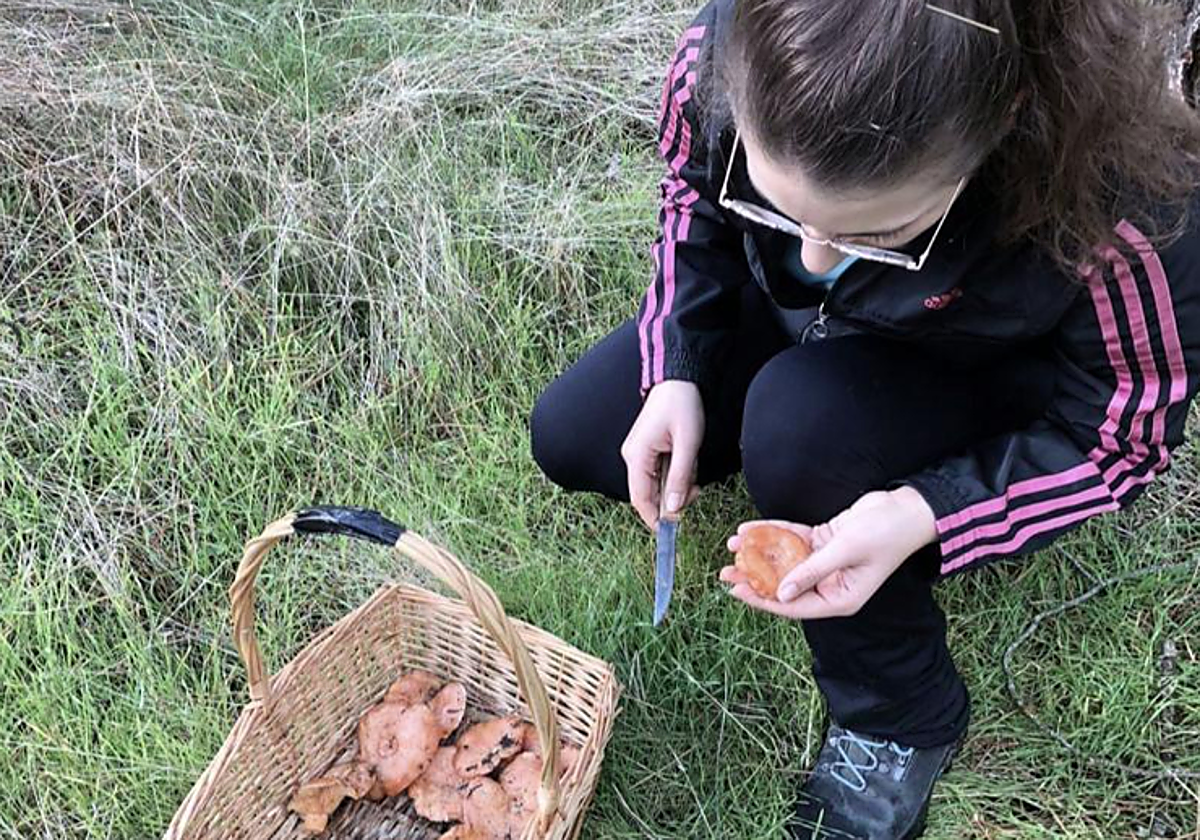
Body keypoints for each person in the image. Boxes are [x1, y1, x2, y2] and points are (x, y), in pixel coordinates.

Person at [529, 0, 1200, 837]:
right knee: (572, 434)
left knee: (799, 428)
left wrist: (925, 514)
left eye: (882, 232)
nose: (811, 257)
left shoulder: (1119, 205)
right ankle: (776, 390)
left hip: (964, 365)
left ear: (1007, 119)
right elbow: (690, 197)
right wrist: (677, 366)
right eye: (777, 206)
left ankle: (901, 715)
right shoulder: (726, 53)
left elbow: (1118, 440)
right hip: (786, 327)